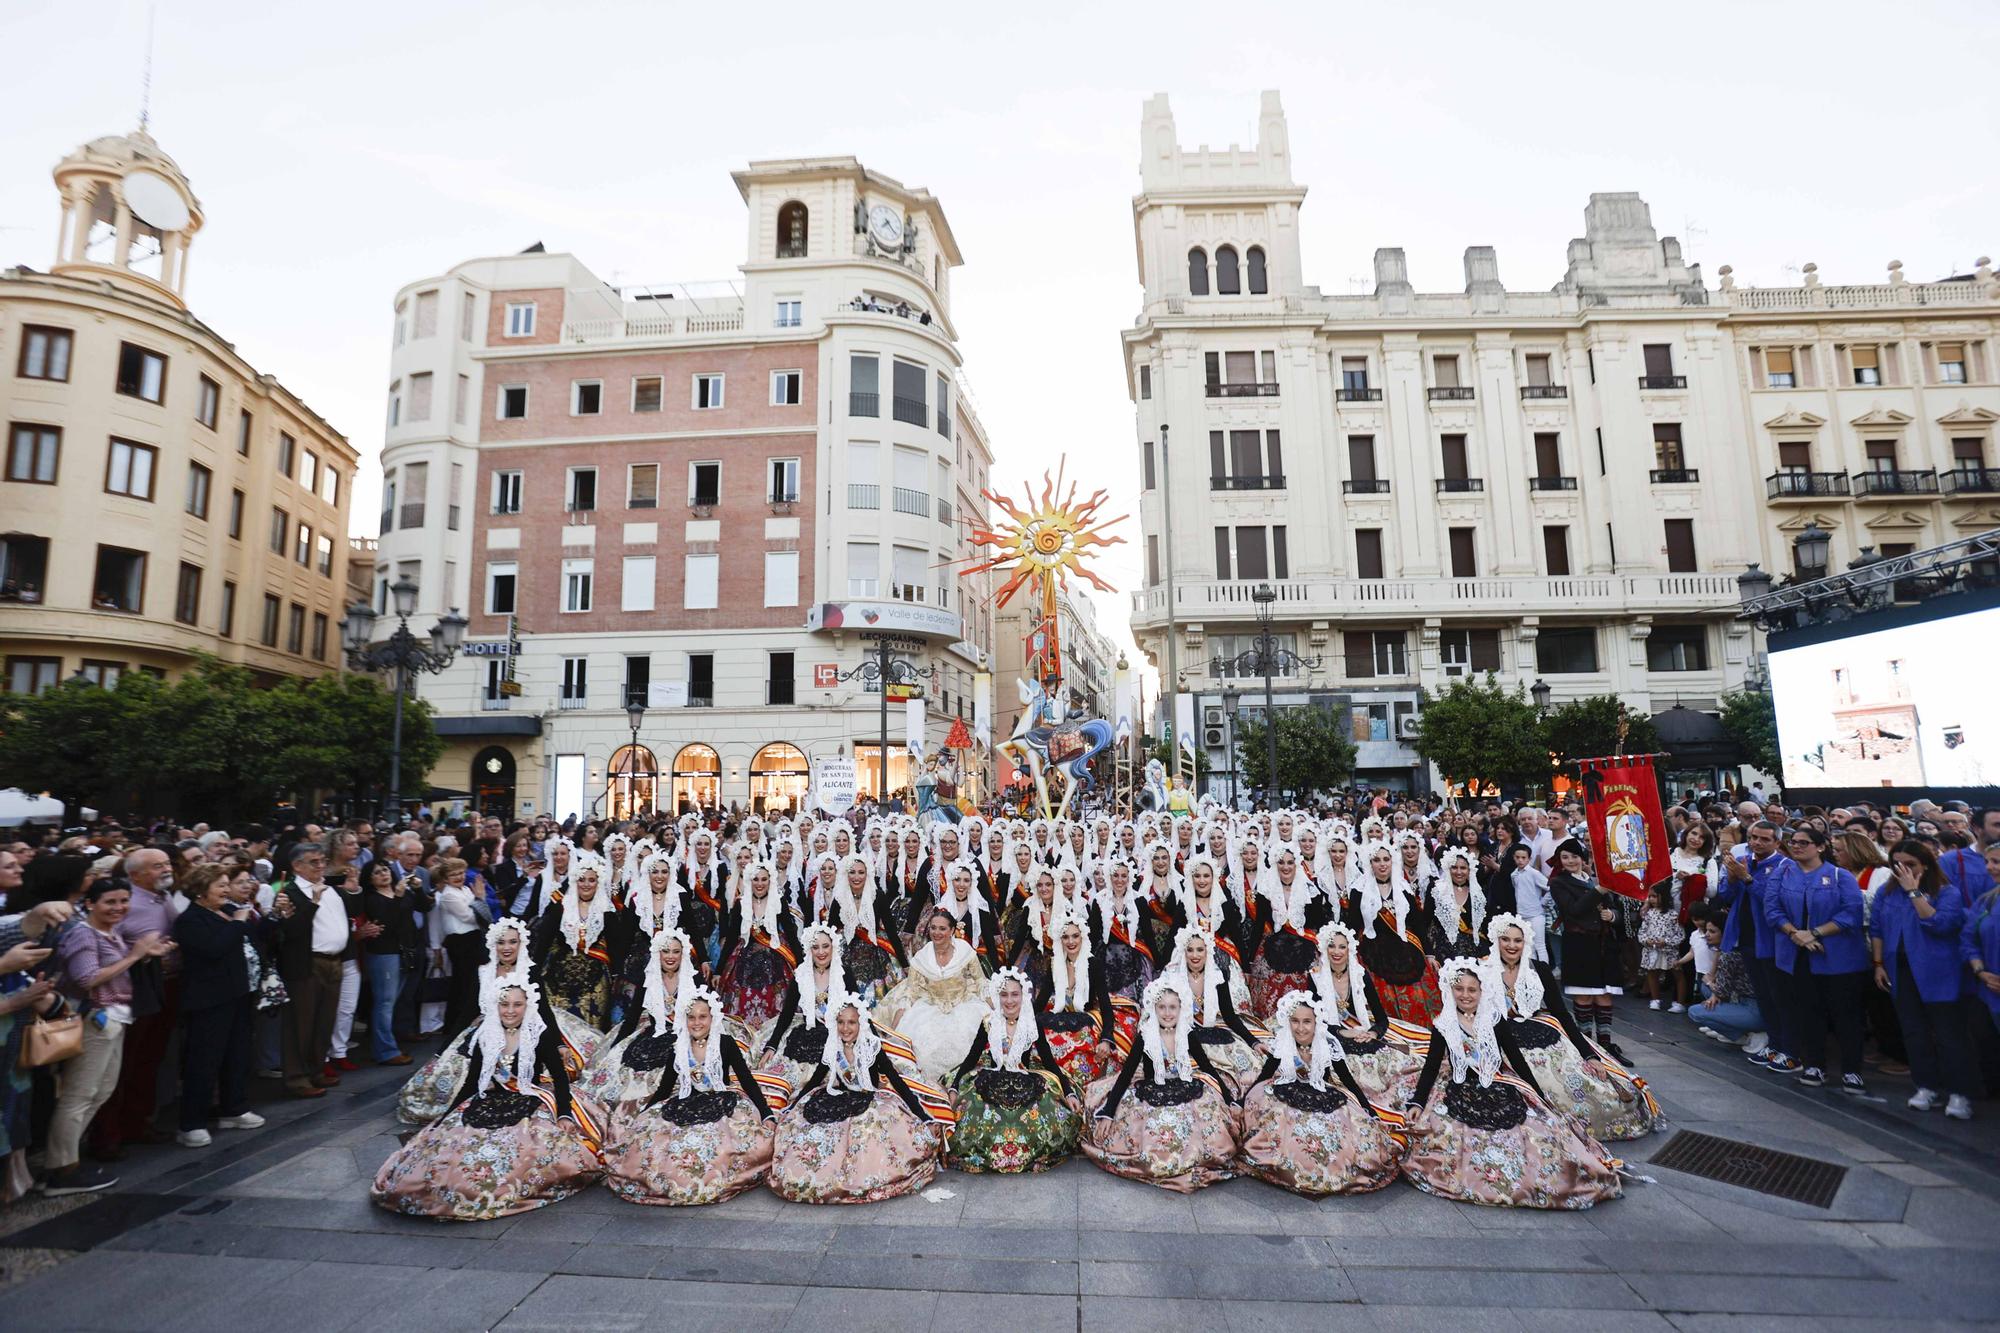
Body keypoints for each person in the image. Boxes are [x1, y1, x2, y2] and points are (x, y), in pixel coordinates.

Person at [1399, 959, 1623, 1210]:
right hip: (1459, 1090)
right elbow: (1430, 1067)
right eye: (1459, 989)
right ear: (1450, 991)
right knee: (1448, 1136)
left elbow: (1516, 1059)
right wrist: (1417, 1101)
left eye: (1472, 990)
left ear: (1483, 991)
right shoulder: (1443, 1025)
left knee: (1536, 1132)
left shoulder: (1494, 1020)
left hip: (1498, 1085)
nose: (1465, 995)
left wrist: (1539, 1097)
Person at [372, 980, 603, 1219]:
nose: (510, 1011)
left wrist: (564, 1113)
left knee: (523, 1154)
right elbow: (471, 1084)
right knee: (454, 1149)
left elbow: (560, 1077)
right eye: (504, 1005)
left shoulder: (538, 1034)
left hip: (529, 1099)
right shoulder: (486, 1036)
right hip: (490, 1099)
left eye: (517, 1005)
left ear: (527, 1006)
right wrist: (445, 1117)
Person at [1486, 913, 1659, 1141]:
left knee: (1591, 1087)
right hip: (1504, 1039)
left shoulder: (1539, 969)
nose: (1511, 945)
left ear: (1525, 942)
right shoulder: (1483, 969)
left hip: (1543, 1033)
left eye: (1517, 940)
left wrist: (1589, 1054)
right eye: (1505, 939)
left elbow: (1562, 1014)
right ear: (1495, 941)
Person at [46, 881, 170, 1195]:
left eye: (123, 901)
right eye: (109, 902)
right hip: (93, 1022)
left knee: (100, 1092)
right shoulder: (83, 935)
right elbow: (87, 977)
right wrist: (135, 955)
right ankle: (61, 1169)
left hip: (114, 1020)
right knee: (80, 1094)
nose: (118, 908)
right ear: (89, 904)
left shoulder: (109, 932)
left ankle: (66, 1158)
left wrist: (144, 955)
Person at [601, 985, 776, 1206]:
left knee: (718, 1147)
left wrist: (767, 1114)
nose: (696, 1022)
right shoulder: (678, 1047)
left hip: (721, 1105)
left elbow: (747, 1081)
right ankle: (677, 1183)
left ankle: (703, 1182)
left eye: (703, 1017)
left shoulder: (725, 1043)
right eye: (691, 1017)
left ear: (713, 1018)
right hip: (685, 1104)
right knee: (663, 1147)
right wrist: (643, 1116)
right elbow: (665, 1088)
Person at [768, 992, 944, 1204]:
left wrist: (924, 1116)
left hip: (868, 1103)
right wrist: (791, 1108)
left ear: (861, 1023)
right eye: (841, 1022)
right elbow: (815, 1081)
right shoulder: (833, 1048)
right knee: (816, 1133)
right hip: (839, 1100)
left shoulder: (872, 1048)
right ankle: (820, 1178)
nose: (845, 1028)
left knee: (868, 1135)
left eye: (851, 1022)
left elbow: (897, 1082)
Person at [1236, 991, 1405, 1197]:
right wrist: (1242, 1102)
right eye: (1295, 1021)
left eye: (1307, 1022)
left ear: (1317, 1022)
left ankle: (1329, 1172)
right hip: (1286, 1095)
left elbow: (1347, 1079)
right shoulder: (1283, 1042)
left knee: (1343, 1136)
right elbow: (1264, 1074)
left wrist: (1366, 1107)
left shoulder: (1328, 1044)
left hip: (1321, 1095)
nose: (1300, 1028)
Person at [1082, 974, 1239, 1193]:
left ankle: (1187, 1158)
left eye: (1172, 1007)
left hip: (1183, 1087)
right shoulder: (1146, 1035)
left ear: (1181, 1008)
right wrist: (1108, 1112)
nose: (1167, 1013)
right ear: (1154, 1009)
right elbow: (1126, 1075)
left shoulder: (1187, 1033)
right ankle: (1165, 1161)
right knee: (1154, 1129)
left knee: (1199, 1121)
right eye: (1162, 1007)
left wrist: (1230, 1099)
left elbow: (1207, 1067)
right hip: (1151, 1090)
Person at [1872, 839, 1976, 1120]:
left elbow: (1939, 924)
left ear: (1926, 865)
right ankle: (1926, 1086)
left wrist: (1914, 892)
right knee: (1914, 1031)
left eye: (1911, 865)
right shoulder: (1886, 892)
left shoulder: (1947, 892)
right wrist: (1878, 964)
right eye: (1897, 864)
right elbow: (1877, 928)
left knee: (1948, 1034)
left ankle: (1959, 1092)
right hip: (1900, 970)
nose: (1903, 870)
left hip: (1939, 972)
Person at [89, 846, 181, 1157]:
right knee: (121, 1064)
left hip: (161, 985)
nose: (166, 870)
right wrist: (139, 954)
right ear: (134, 875)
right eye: (157, 866)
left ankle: (137, 1122)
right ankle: (108, 1134)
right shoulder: (122, 903)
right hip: (129, 990)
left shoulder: (163, 896)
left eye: (167, 863)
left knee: (148, 1060)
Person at [943, 968, 1080, 1174]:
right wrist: (954, 1087)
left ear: (1023, 996)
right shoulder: (989, 1023)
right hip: (991, 1078)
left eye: (1015, 994)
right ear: (997, 997)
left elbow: (1050, 1063)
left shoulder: (1031, 1025)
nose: (1009, 1001)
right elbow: (971, 1058)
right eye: (1004, 994)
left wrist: (1068, 1092)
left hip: (1024, 1080)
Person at [169, 865, 267, 1147]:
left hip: (237, 994)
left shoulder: (225, 912)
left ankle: (233, 1108)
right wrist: (237, 923)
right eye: (220, 885)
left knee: (237, 1054)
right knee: (204, 1060)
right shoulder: (190, 920)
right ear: (201, 890)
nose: (226, 890)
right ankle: (192, 1123)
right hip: (209, 1000)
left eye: (227, 884)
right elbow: (212, 949)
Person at [1767, 826, 1869, 1094]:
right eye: (1794, 842)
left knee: (1845, 1015)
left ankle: (1852, 1071)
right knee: (1808, 1012)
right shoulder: (1783, 873)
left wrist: (1813, 933)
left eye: (1804, 842)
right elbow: (1772, 909)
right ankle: (1814, 1064)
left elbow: (1851, 915)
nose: (1797, 846)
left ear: (1820, 847)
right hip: (1799, 957)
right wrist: (1795, 933)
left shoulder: (1840, 876)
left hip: (1839, 958)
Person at [580, 927, 696, 1108]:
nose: (670, 957)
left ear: (683, 954)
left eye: (675, 951)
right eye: (665, 951)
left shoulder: (693, 979)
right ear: (658, 953)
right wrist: (614, 1047)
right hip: (656, 1034)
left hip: (687, 1034)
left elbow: (705, 1013)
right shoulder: (648, 978)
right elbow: (632, 1018)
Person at [272, 843, 350, 1100]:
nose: (320, 866)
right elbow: (293, 930)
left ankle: (316, 1068)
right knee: (301, 1023)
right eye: (314, 862)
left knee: (324, 1020)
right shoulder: (290, 892)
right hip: (307, 963)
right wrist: (313, 902)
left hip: (334, 960)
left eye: (322, 861)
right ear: (297, 866)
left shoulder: (329, 889)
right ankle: (296, 1077)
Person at [875, 908, 989, 1084]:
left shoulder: (964, 951)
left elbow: (981, 982)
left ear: (952, 930)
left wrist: (995, 1012)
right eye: (933, 928)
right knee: (924, 1051)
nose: (937, 933)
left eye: (942, 928)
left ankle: (960, 1084)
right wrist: (895, 1031)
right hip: (930, 1007)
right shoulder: (922, 957)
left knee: (970, 1046)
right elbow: (910, 994)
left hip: (964, 1005)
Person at [1308, 923, 1419, 1104]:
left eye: (1342, 946)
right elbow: (1314, 1019)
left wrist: (1372, 1033)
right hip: (1333, 1035)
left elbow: (1381, 1019)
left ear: (1349, 949)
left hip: (1362, 1034)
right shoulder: (1315, 977)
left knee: (1402, 1064)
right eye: (1331, 945)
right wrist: (1342, 1032)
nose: (1336, 951)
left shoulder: (1360, 976)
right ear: (1323, 948)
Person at [1547, 839, 1626, 1061]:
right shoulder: (1558, 883)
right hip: (1579, 944)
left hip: (1604, 945)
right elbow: (1574, 910)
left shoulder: (1594, 881)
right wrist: (1599, 890)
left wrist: (1612, 916)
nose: (1571, 861)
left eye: (1574, 856)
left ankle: (1606, 1045)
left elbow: (1617, 910)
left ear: (1583, 858)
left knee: (1604, 996)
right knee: (1584, 996)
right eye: (1565, 857)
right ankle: (1587, 1046)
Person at [532, 853, 616, 1031]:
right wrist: (534, 972)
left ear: (598, 883)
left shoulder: (607, 910)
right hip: (559, 980)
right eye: (582, 879)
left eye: (591, 880)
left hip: (594, 980)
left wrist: (616, 977)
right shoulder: (560, 907)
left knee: (590, 1029)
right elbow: (544, 942)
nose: (586, 884)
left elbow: (617, 948)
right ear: (574, 881)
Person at [716, 862, 801, 1029]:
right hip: (744, 959)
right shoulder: (741, 904)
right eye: (756, 879)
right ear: (749, 881)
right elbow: (732, 938)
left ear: (770, 881)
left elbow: (791, 933)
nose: (760, 883)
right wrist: (719, 970)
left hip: (775, 957)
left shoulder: (778, 901)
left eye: (764, 879)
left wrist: (802, 963)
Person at [355, 859, 418, 1067]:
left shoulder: (401, 891)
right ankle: (385, 1050)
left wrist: (418, 889)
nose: (384, 874)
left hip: (403, 951)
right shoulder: (372, 899)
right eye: (377, 873)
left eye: (385, 870)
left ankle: (386, 1045)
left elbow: (424, 906)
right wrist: (399, 897)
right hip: (383, 954)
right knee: (384, 1002)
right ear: (370, 880)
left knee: (392, 1001)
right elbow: (388, 923)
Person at [1686, 909, 1763, 1045]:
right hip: (1744, 1001)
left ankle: (1741, 1035)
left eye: (1713, 932)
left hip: (1753, 1008)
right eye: (1707, 931)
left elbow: (1721, 990)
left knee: (1695, 1011)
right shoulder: (1728, 950)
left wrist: (1712, 986)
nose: (1707, 935)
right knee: (1706, 988)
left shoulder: (1730, 955)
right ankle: (1733, 1030)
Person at [432, 857, 486, 1041]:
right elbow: (469, 916)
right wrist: (480, 898)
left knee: (470, 982)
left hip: (472, 939)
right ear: (445, 878)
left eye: (460, 873)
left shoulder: (464, 890)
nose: (458, 877)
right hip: (460, 941)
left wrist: (478, 901)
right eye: (453, 874)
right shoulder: (448, 895)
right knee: (463, 983)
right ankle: (456, 1025)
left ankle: (464, 1023)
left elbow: (478, 913)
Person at [1638, 881, 1687, 1013]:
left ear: (1663, 896)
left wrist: (1666, 941)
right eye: (1650, 897)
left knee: (1677, 974)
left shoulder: (1673, 915)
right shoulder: (1649, 914)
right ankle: (1655, 1000)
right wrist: (1646, 941)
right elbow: (1642, 932)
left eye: (1654, 896)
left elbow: (1680, 934)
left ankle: (1679, 1003)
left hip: (1669, 951)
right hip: (1652, 950)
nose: (1651, 899)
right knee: (1652, 973)